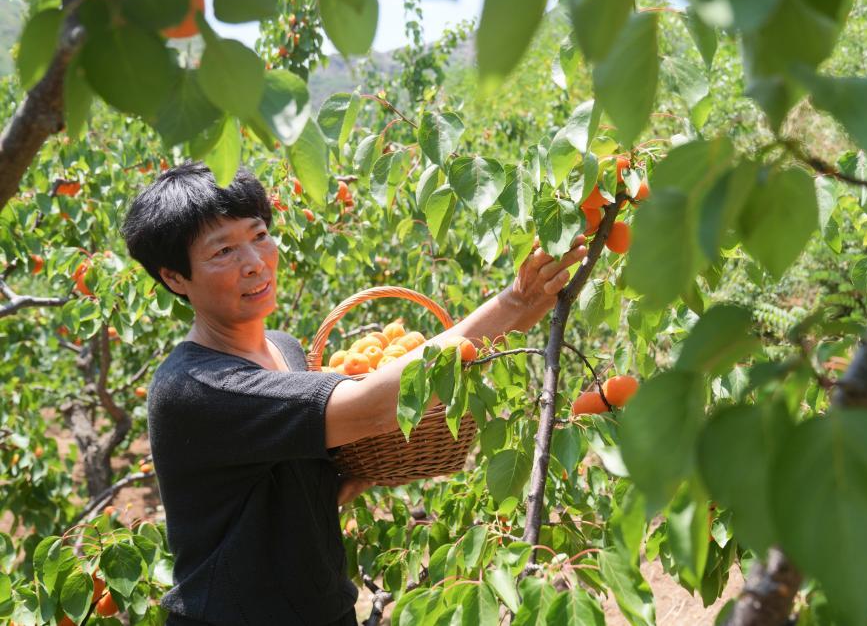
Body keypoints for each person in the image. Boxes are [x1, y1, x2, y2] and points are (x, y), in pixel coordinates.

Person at [120, 162, 588, 625]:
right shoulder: (195, 387)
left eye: (259, 235)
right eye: (222, 251)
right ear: (175, 278)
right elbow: (375, 405)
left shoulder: (285, 349)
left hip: (325, 609)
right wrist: (514, 302)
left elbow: (316, 488)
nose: (255, 263)